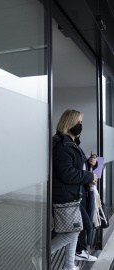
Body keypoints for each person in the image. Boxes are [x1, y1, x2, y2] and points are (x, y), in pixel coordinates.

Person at [51, 110, 98, 270]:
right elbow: (68, 174)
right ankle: (41, 251)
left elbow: (77, 167)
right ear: (69, 123)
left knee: (76, 229)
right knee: (75, 230)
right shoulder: (62, 145)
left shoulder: (72, 144)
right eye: (78, 122)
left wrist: (90, 163)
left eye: (81, 123)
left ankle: (69, 265)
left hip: (74, 194)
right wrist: (89, 177)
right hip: (66, 196)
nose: (81, 126)